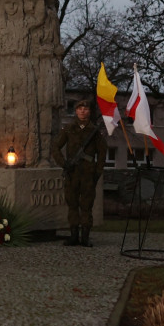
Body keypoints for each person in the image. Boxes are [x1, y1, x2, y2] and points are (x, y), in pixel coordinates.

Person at [51, 100, 108, 247]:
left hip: (88, 174)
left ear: (89, 111)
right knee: (72, 204)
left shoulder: (94, 131)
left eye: (86, 109)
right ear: (76, 111)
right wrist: (63, 163)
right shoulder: (69, 129)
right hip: (72, 173)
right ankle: (74, 236)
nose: (83, 111)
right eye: (80, 109)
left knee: (87, 206)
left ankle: (85, 237)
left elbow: (102, 153)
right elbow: (55, 147)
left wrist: (98, 171)